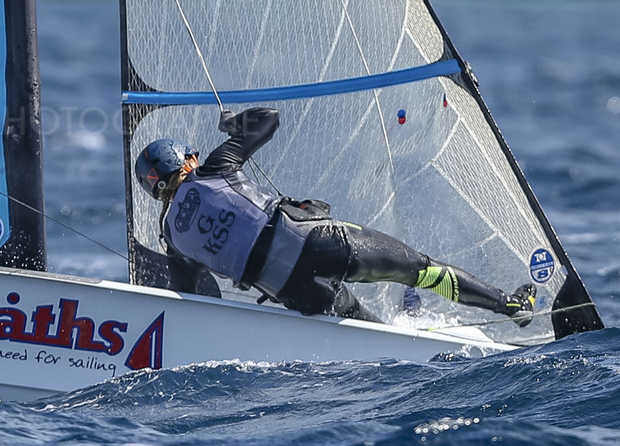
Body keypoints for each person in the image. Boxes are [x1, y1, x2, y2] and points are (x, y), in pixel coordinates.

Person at [135, 107, 536, 324]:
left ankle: (390, 338)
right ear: (186, 159)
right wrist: (232, 124)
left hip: (291, 289)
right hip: (321, 246)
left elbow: (191, 298)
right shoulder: (214, 168)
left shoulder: (171, 238)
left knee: (365, 330)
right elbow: (268, 120)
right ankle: (510, 307)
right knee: (419, 269)